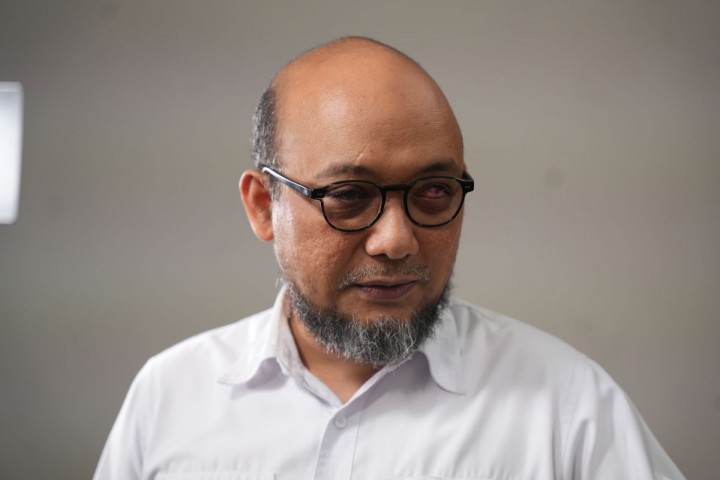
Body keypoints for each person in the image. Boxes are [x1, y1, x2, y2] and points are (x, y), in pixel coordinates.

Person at [94, 37, 685, 480]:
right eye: (349, 195)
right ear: (262, 207)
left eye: (434, 191)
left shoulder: (567, 407)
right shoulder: (170, 398)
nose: (396, 241)